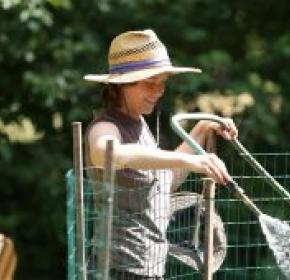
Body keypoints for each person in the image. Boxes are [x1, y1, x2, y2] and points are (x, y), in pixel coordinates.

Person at [83, 29, 237, 280]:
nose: (159, 90)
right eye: (149, 82)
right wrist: (190, 160)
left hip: (147, 269)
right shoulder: (106, 126)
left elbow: (165, 182)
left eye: (162, 82)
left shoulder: (140, 125)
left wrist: (200, 131)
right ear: (122, 84)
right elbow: (107, 153)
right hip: (117, 270)